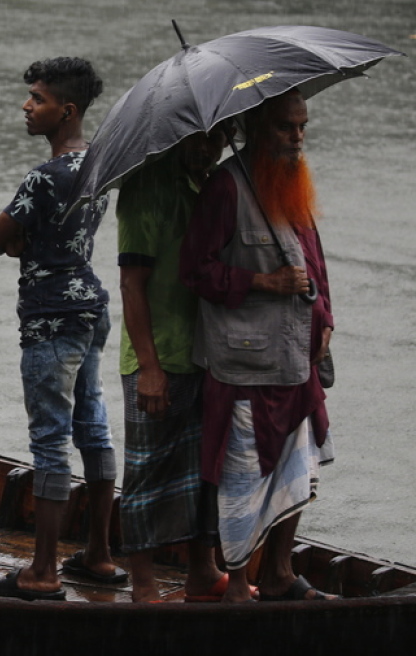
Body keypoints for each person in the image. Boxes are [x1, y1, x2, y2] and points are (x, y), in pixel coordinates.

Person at [179, 89, 336, 602]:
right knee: (243, 476)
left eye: (302, 127)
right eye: (286, 128)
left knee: (299, 464)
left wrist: (327, 318)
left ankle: (281, 574)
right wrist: (264, 283)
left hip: (296, 359)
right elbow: (195, 271)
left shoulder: (294, 183)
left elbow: (314, 263)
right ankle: (240, 583)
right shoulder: (225, 188)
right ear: (255, 130)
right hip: (245, 362)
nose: (297, 138)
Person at [0, 57, 121, 601]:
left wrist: (21, 242)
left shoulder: (44, 177)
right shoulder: (99, 166)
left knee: (49, 441)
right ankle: (101, 555)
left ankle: (42, 570)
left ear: (66, 110)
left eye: (36, 98)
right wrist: (29, 241)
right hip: (90, 307)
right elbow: (58, 237)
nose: (26, 106)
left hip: (50, 316)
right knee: (93, 426)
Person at [116, 128, 230, 603]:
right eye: (199, 139)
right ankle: (143, 586)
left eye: (218, 138)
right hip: (158, 355)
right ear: (177, 135)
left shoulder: (210, 186)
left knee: (205, 472)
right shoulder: (148, 187)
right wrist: (149, 367)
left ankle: (202, 572)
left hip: (206, 352)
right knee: (148, 471)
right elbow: (131, 282)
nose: (207, 149)